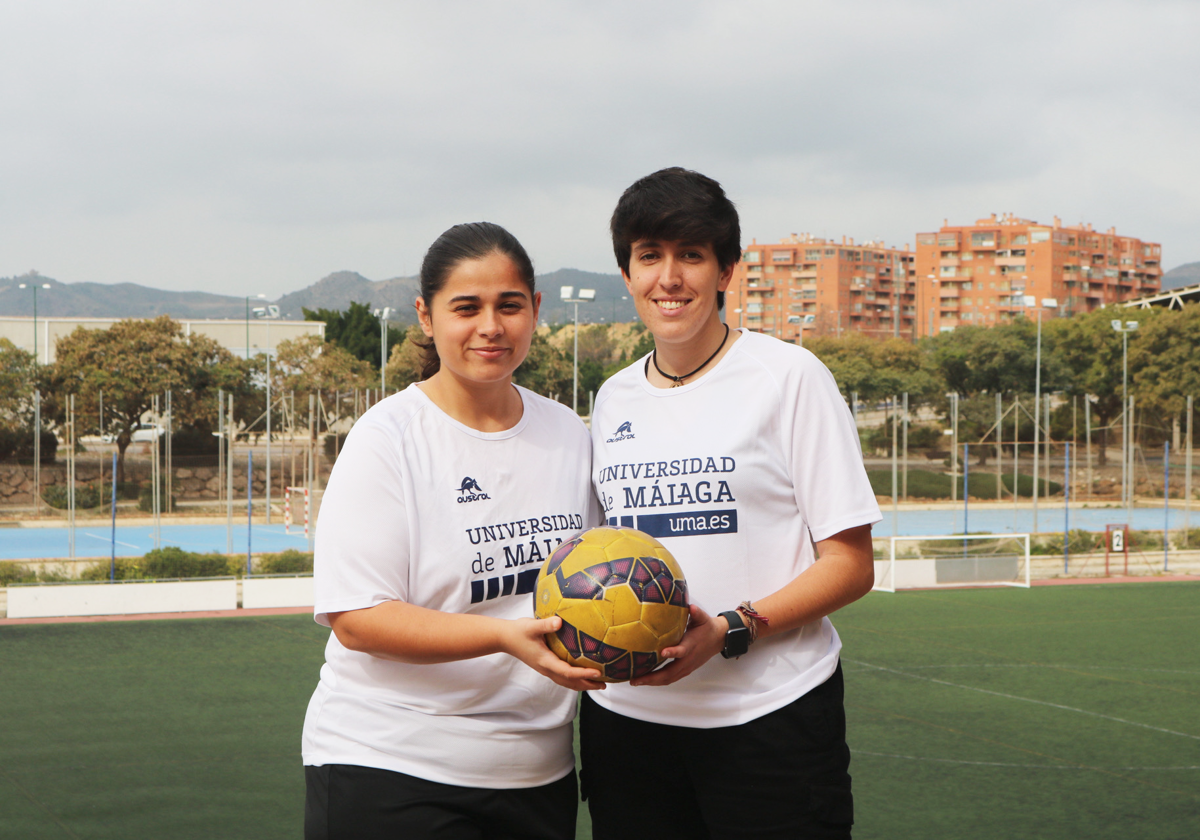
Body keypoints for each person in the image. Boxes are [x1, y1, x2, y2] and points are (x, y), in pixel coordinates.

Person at [582, 168, 881, 840]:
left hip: (769, 719)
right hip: (629, 729)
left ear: (727, 271)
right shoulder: (613, 398)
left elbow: (852, 564)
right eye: (650, 257)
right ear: (627, 273)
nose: (669, 278)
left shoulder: (789, 378)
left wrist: (732, 628)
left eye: (691, 255)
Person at [302, 222, 604, 840]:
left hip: (536, 778)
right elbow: (358, 618)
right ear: (426, 316)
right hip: (392, 769)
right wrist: (503, 637)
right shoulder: (388, 439)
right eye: (466, 308)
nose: (490, 326)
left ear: (535, 311)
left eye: (509, 305)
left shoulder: (569, 434)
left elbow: (596, 576)